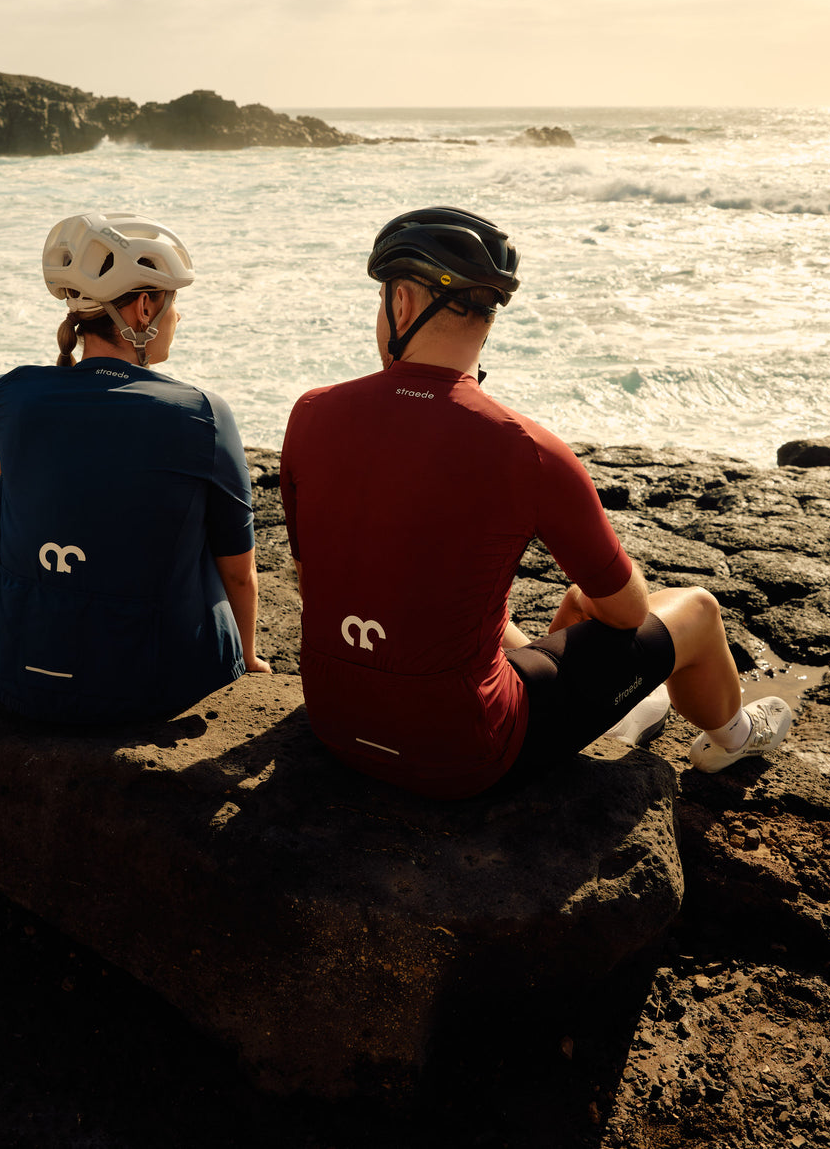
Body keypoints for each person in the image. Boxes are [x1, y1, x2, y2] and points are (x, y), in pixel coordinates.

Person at [280, 206, 790, 799]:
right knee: (696, 610)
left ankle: (615, 712)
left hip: (336, 722)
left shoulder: (310, 412)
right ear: (489, 317)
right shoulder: (526, 447)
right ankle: (736, 736)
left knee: (549, 609)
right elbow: (627, 614)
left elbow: (309, 576)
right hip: (463, 753)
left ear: (400, 304)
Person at [0, 210, 269, 724]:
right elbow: (238, 572)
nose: (178, 318)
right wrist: (246, 656)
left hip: (19, 668)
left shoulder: (17, 393)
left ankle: (4, 568)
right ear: (143, 307)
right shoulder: (202, 413)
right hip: (149, 687)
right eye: (174, 304)